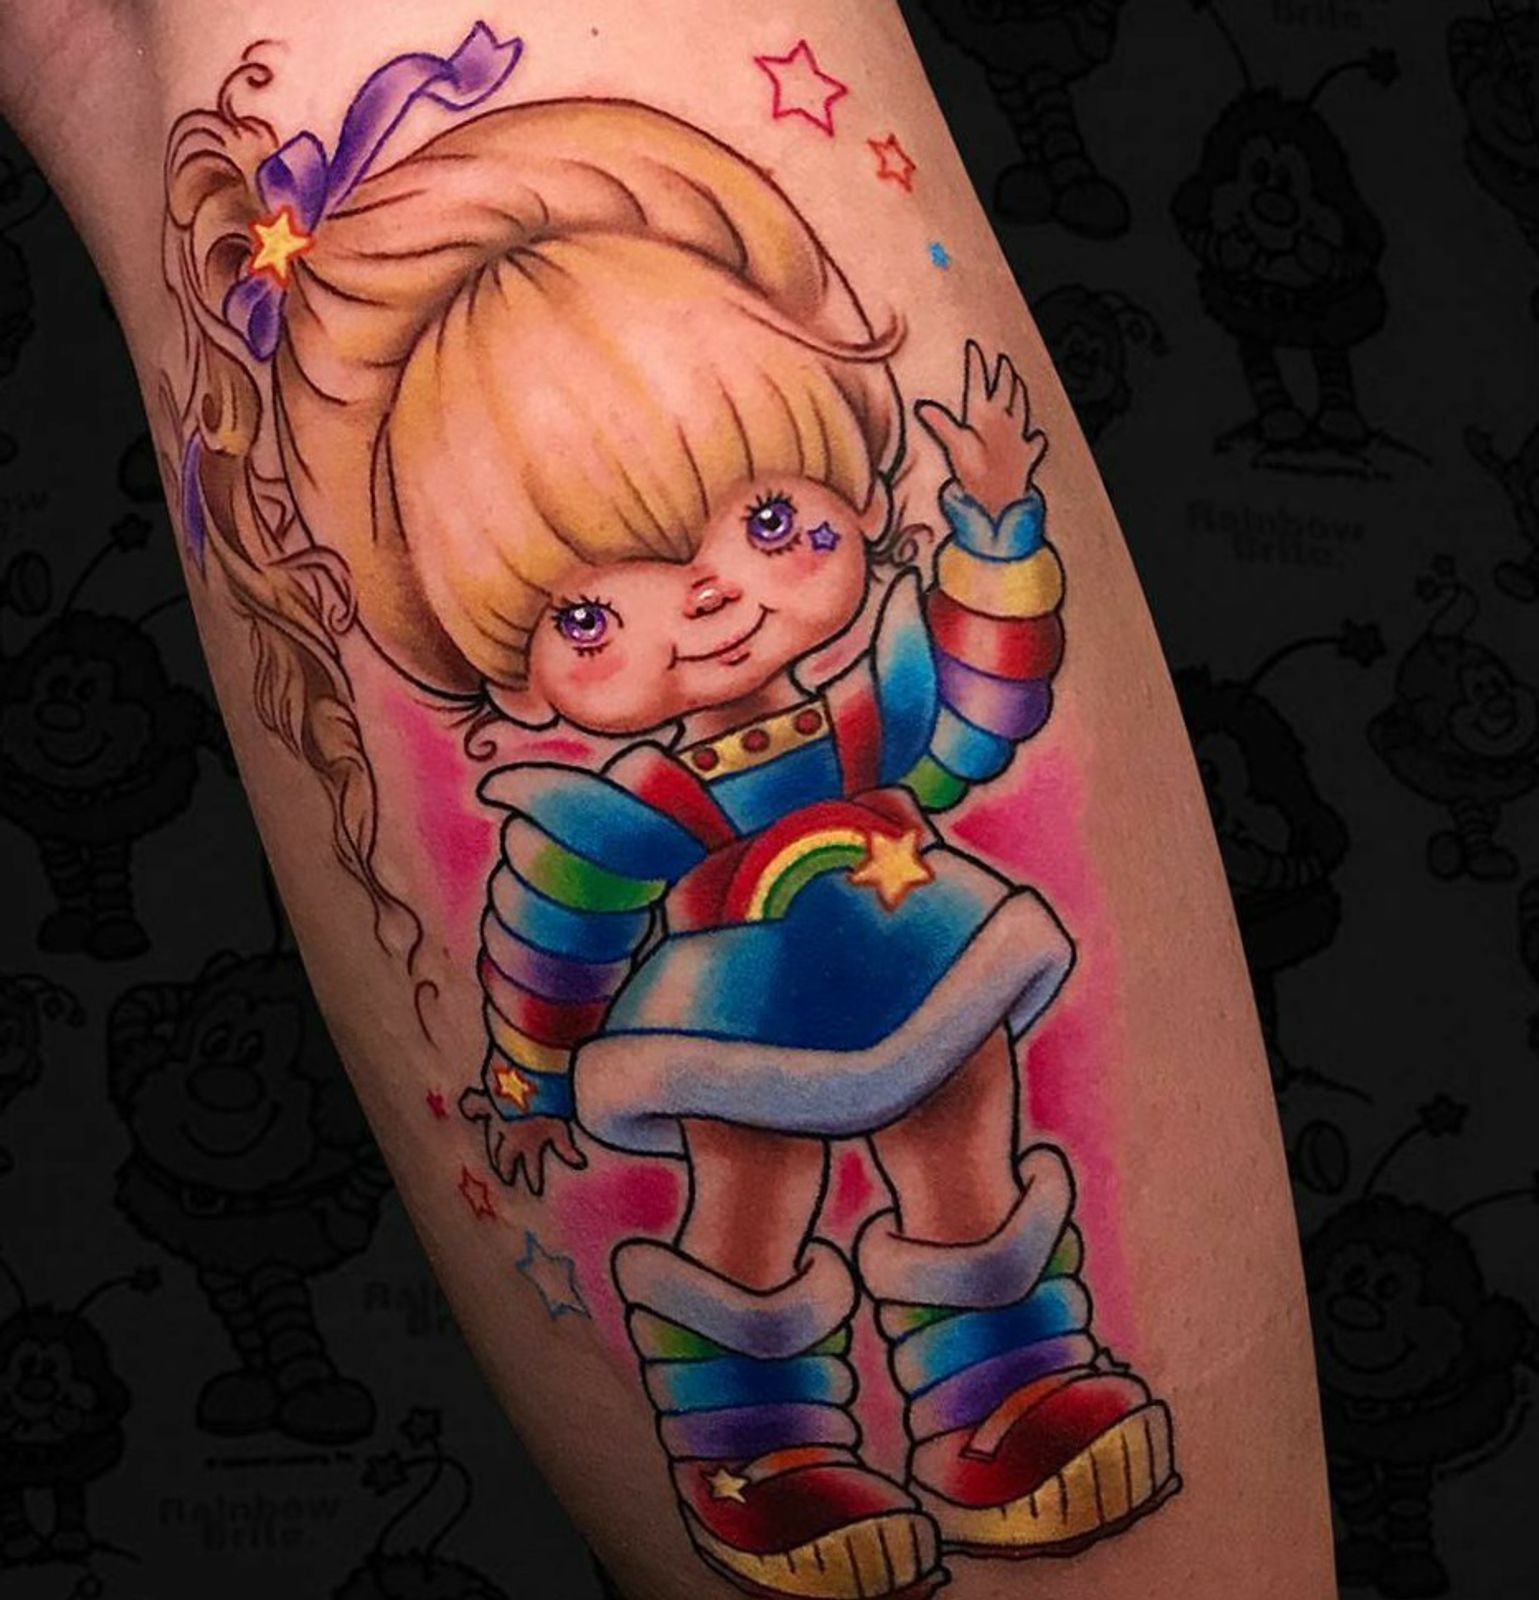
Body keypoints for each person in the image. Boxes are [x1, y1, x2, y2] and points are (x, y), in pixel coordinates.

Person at [0, 6, 1335, 1596]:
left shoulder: (867, 703)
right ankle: (763, 1448)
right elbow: (556, 939)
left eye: (769, 519)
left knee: (965, 1144)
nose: (708, 605)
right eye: (588, 614)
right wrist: (529, 1071)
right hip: (733, 1007)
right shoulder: (615, 814)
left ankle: (1011, 1398)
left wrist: (988, 541)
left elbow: (974, 723)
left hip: (917, 943)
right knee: (752, 1210)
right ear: (500, 666)